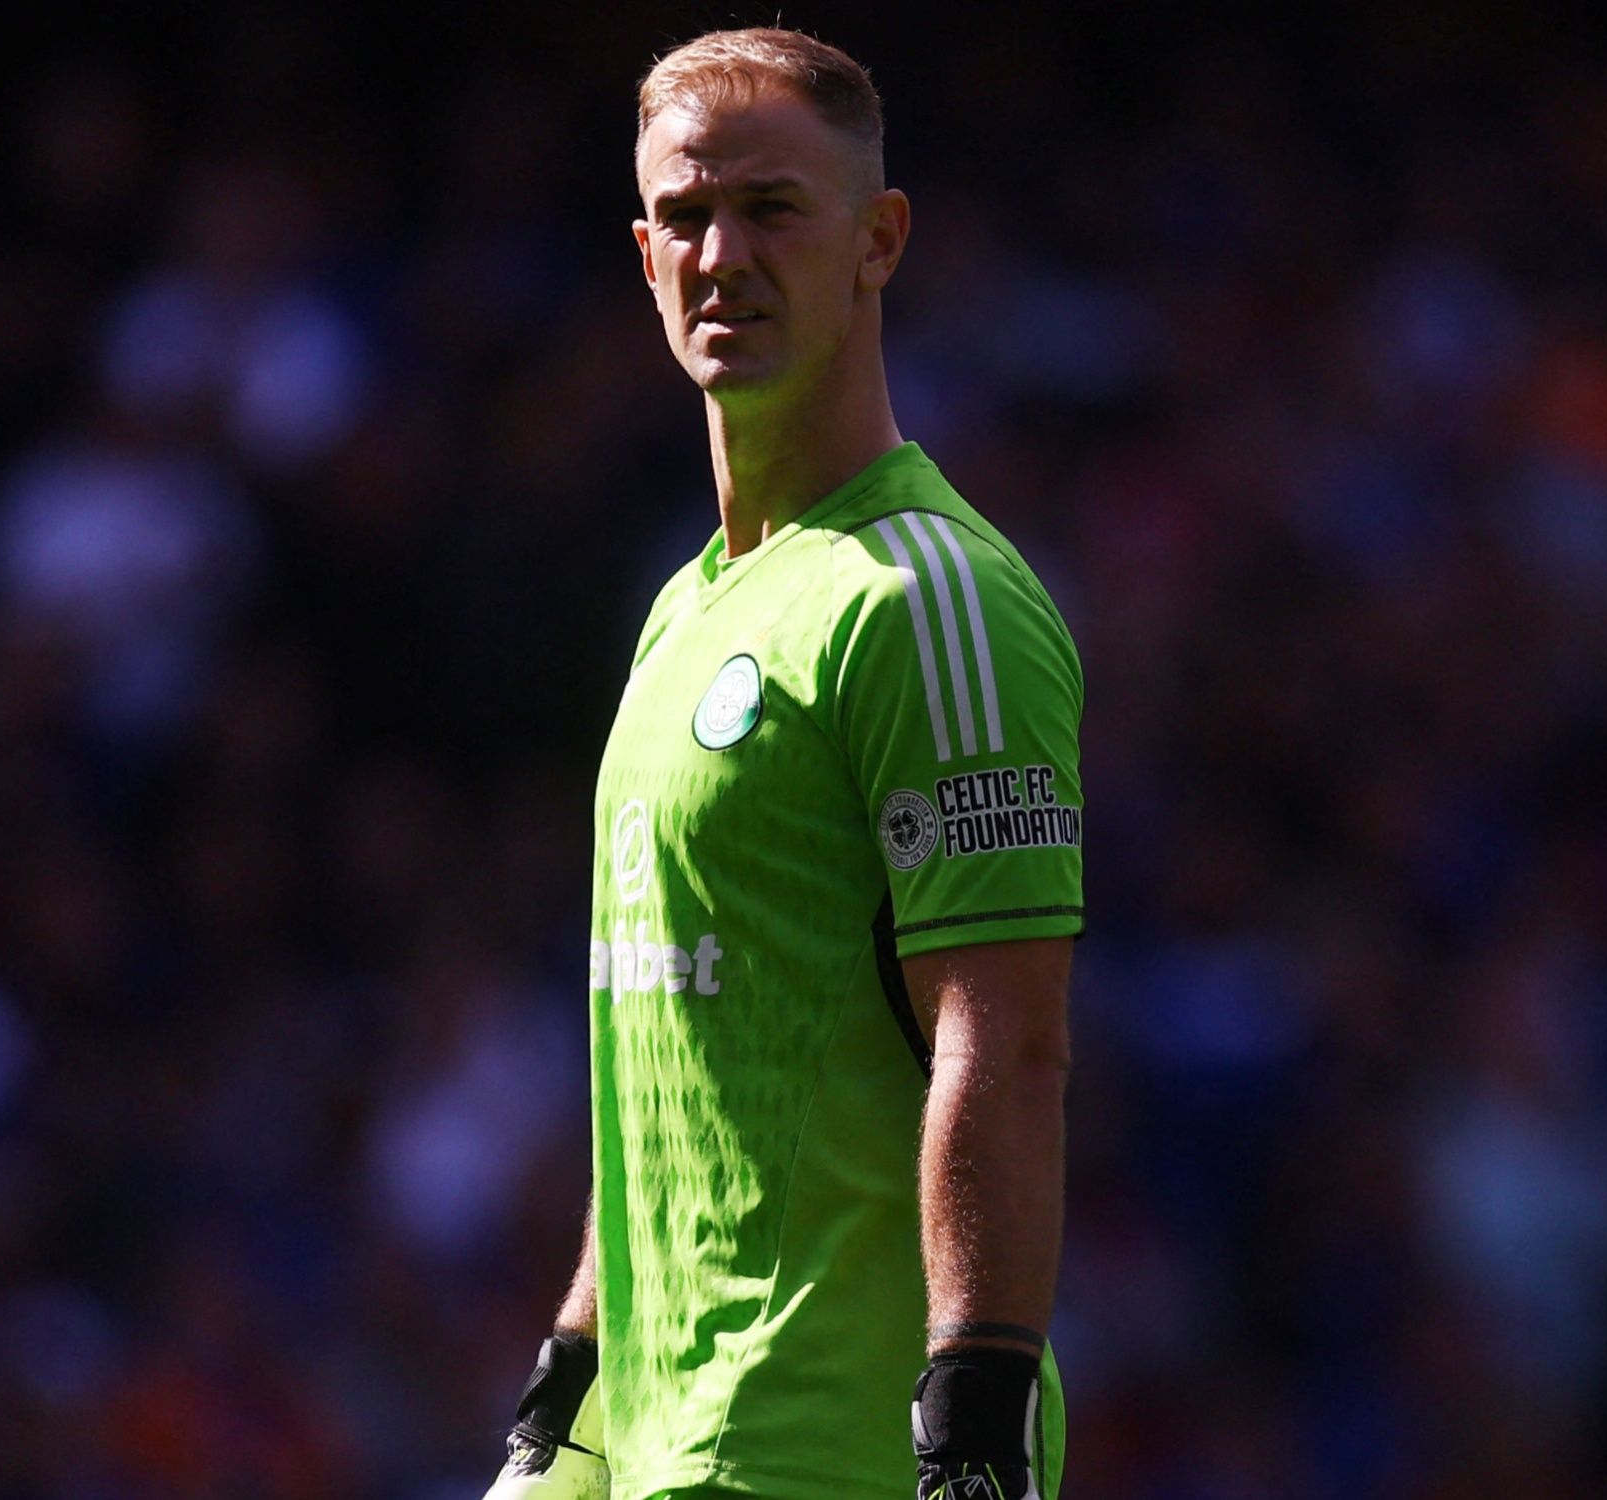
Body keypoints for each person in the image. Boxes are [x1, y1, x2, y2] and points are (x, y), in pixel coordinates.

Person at [483, 28, 1084, 1500]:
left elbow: (1003, 1044)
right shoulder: (685, 609)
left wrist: (978, 1411)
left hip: (830, 1448)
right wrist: (570, 1371)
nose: (720, 253)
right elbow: (680, 1057)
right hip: (645, 1438)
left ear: (878, 240)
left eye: (771, 208)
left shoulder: (927, 600)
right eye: (685, 216)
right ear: (641, 255)